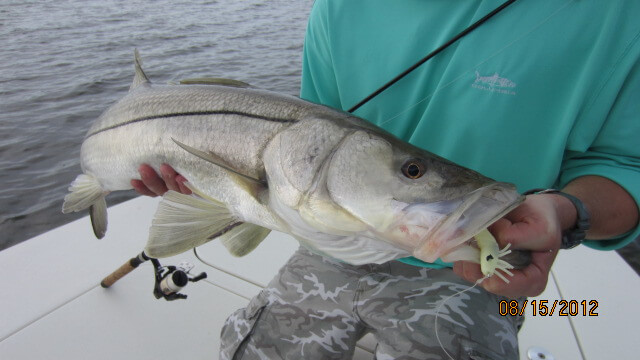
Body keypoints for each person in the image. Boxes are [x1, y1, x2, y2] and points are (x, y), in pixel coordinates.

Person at [132, 1, 640, 359]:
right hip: (331, 243)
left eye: (412, 171)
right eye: (413, 171)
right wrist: (207, 185)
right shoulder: (338, 7)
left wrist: (570, 212)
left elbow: (628, 166)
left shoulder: (619, 15)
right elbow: (309, 138)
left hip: (484, 267)